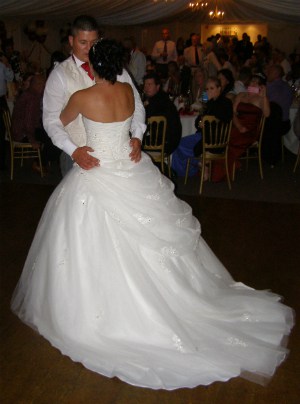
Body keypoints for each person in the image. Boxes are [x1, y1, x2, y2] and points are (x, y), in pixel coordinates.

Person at [11, 39, 294, 391]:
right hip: (129, 169)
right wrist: (130, 138)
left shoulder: (82, 97)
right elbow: (132, 125)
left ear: (95, 66)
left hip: (97, 171)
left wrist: (77, 145)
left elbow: (59, 120)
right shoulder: (129, 95)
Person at [43, 15, 146, 177]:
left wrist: (137, 136)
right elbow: (51, 120)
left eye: (94, 43)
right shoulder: (59, 75)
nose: (89, 48)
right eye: (83, 43)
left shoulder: (116, 69)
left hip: (120, 160)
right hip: (76, 157)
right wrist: (73, 150)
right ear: (71, 41)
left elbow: (137, 105)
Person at [212, 73, 270, 182]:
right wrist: (238, 125)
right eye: (252, 81)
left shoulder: (261, 99)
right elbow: (232, 113)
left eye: (257, 83)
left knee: (230, 142)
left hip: (250, 130)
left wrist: (264, 96)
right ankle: (224, 167)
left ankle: (219, 172)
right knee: (221, 137)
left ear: (261, 87)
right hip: (237, 125)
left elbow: (267, 114)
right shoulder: (241, 95)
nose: (253, 84)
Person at [172, 77, 233, 177]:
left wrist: (206, 120)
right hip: (203, 136)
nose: (208, 91)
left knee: (178, 145)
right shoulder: (209, 103)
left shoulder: (225, 102)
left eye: (212, 88)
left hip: (214, 139)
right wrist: (201, 121)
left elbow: (224, 118)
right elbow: (198, 120)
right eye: (207, 89)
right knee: (177, 144)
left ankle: (194, 168)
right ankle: (191, 169)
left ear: (219, 89)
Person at [11, 74, 61, 171]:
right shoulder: (32, 98)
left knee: (51, 135)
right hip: (23, 133)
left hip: (20, 130)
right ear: (38, 85)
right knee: (55, 139)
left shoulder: (29, 93)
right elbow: (28, 122)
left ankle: (41, 160)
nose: (44, 88)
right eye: (43, 85)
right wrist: (32, 139)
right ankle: (39, 162)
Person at [144, 72, 182, 156]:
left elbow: (145, 119)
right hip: (169, 141)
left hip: (164, 143)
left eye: (149, 84)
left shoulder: (157, 101)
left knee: (131, 144)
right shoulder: (162, 98)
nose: (146, 88)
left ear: (157, 87)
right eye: (145, 84)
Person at [0, 52, 14, 169]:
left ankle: (2, 162)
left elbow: (10, 77)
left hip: (1, 99)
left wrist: (6, 64)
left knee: (2, 130)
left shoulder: (2, 65)